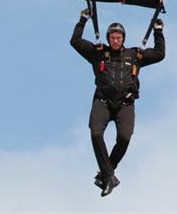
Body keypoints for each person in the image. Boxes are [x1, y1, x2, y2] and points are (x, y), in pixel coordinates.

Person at [71, 10, 166, 196]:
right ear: (108, 38)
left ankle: (107, 174)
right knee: (95, 132)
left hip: (125, 104)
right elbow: (75, 42)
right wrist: (83, 20)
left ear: (123, 39)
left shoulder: (134, 55)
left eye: (118, 38)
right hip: (103, 102)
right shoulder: (98, 53)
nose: (115, 41)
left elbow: (159, 54)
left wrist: (158, 31)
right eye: (112, 38)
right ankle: (109, 176)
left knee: (124, 137)